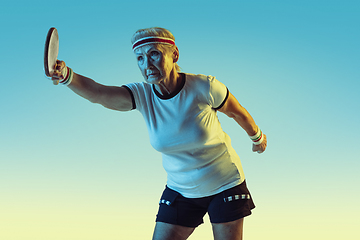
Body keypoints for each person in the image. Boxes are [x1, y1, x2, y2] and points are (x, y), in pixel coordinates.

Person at [50, 27, 267, 240]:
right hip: (181, 190)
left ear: (174, 55)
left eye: (154, 54)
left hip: (223, 184)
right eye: (140, 58)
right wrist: (67, 75)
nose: (147, 64)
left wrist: (256, 137)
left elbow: (237, 113)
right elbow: (98, 93)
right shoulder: (142, 95)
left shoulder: (205, 86)